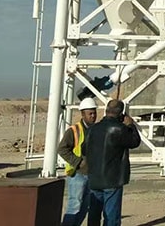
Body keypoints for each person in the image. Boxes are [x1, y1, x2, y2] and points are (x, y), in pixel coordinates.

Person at [82, 99, 142, 226]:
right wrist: (131, 125)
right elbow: (135, 142)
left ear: (106, 111)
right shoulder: (120, 129)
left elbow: (83, 149)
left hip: (94, 178)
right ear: (121, 114)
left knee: (93, 215)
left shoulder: (92, 129)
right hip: (112, 179)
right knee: (111, 217)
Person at [57, 97, 98, 226]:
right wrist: (78, 162)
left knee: (84, 207)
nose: (93, 116)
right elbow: (62, 149)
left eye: (94, 113)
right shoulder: (73, 131)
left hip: (91, 174)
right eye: (90, 113)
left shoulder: (97, 130)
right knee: (74, 205)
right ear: (82, 114)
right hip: (78, 175)